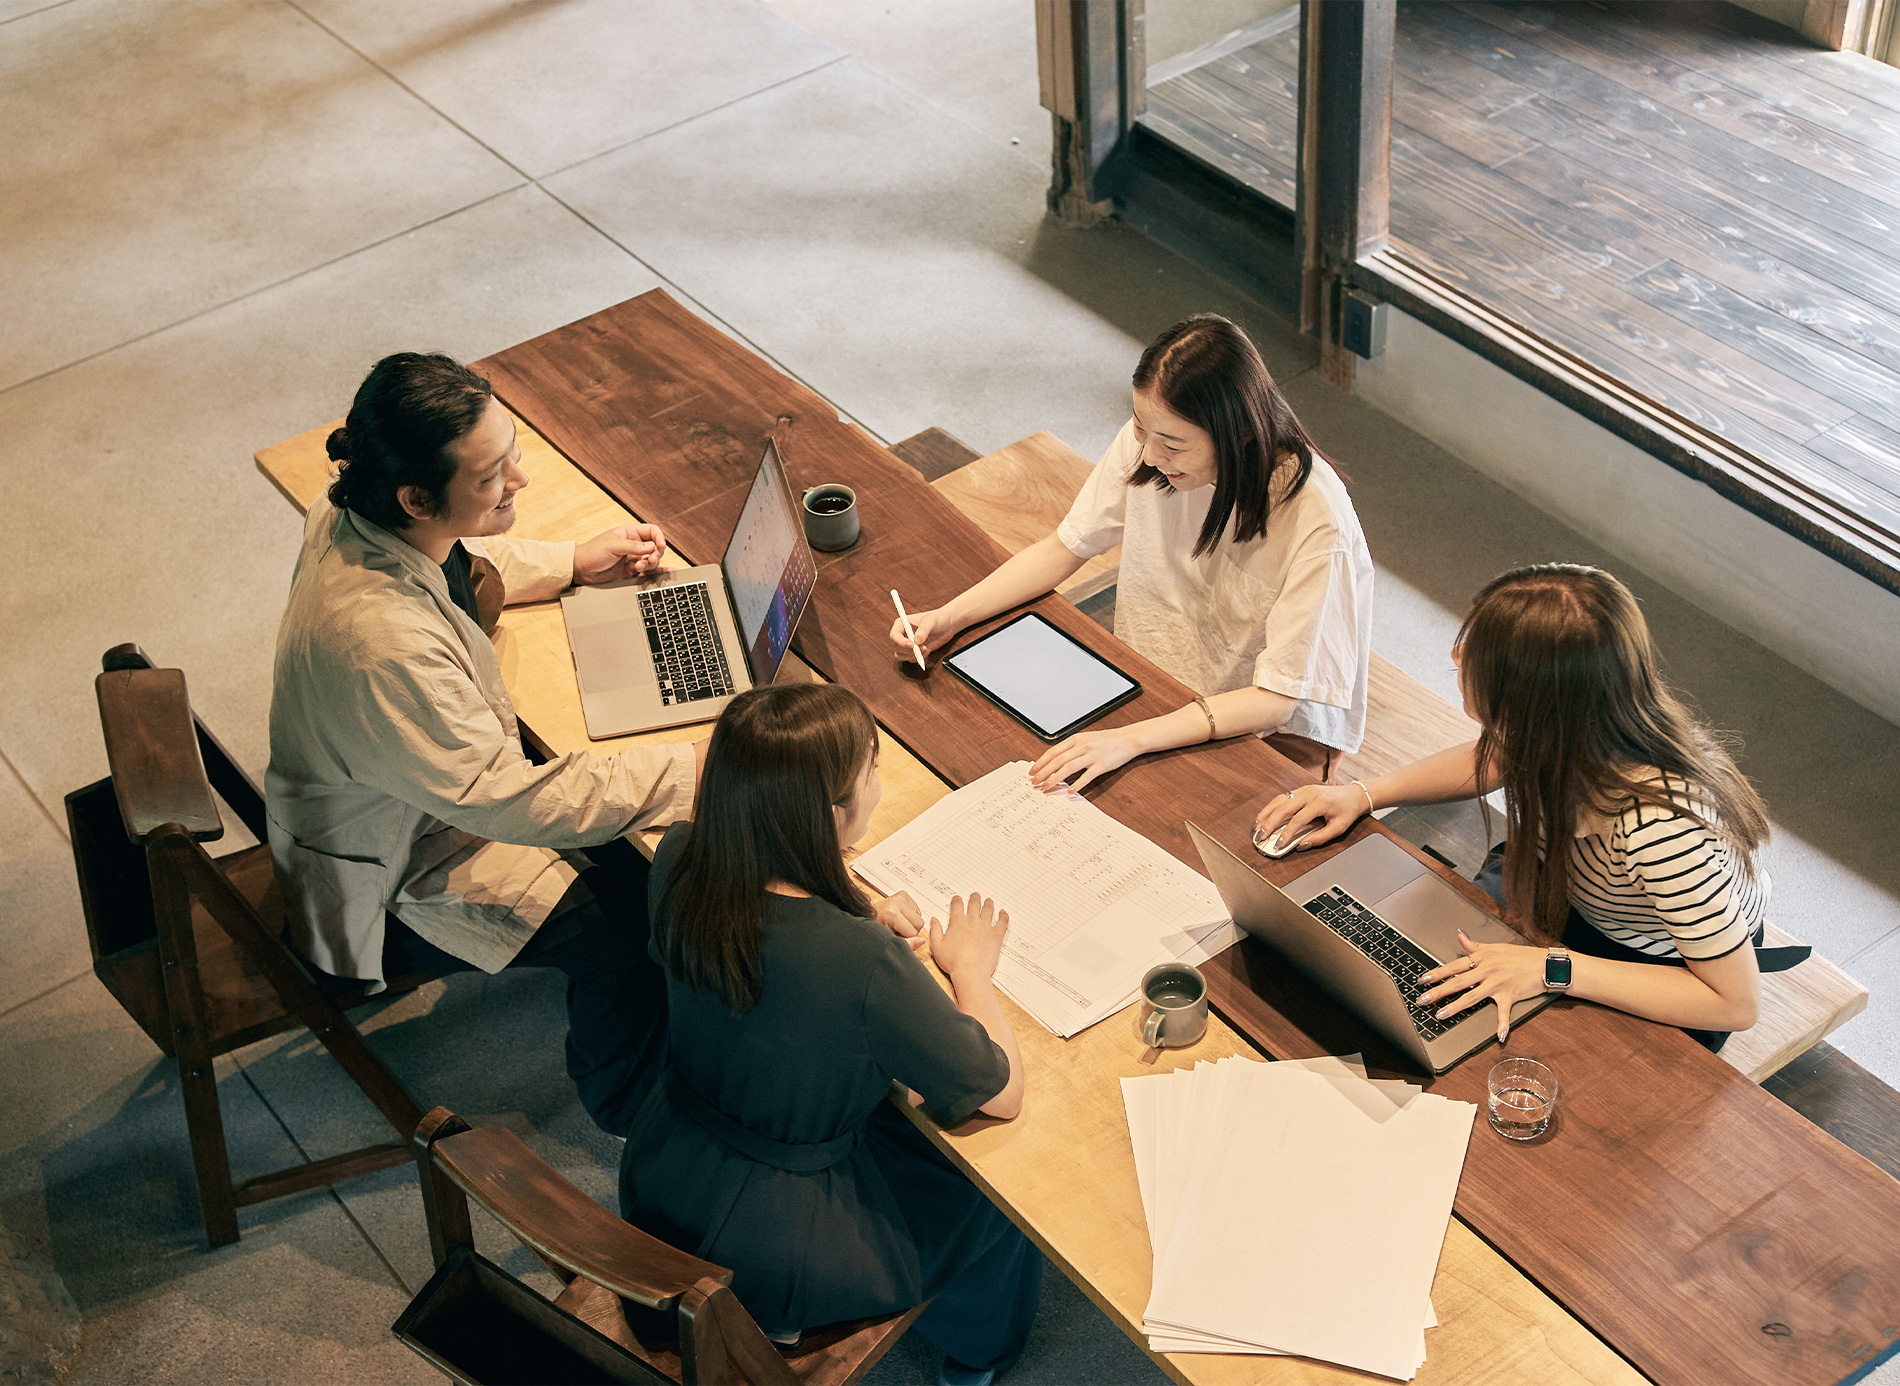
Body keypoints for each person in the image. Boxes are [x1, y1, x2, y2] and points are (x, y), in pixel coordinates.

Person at [267, 351, 701, 1136]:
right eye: (495, 474)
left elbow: (454, 556)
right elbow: (511, 800)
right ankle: (631, 1107)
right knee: (632, 920)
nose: (521, 481)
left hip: (399, 800)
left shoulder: (352, 511)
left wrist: (576, 561)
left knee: (620, 830)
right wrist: (697, 768)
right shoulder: (381, 646)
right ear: (417, 494)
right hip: (397, 870)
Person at [621, 684, 1041, 1386]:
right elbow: (999, 1091)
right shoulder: (860, 960)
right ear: (829, 815)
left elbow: (769, 965)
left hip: (667, 1165)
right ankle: (977, 1358)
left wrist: (854, 908)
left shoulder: (683, 853)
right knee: (999, 1205)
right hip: (782, 1242)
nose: (879, 787)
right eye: (871, 774)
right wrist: (971, 971)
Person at [1254, 563, 1777, 1051]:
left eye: (1474, 650)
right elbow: (1499, 756)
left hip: (1658, 960)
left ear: (1529, 701)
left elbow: (1734, 1002)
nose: (1457, 656)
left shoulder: (1663, 828)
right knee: (1421, 968)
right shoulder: (1575, 724)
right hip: (1575, 890)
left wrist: (1556, 968)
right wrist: (1364, 794)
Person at [890, 313, 1373, 789]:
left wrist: (1130, 740)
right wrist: (949, 618)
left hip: (1268, 731)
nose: (1149, 455)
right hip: (1153, 686)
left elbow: (1275, 700)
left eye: (1172, 444)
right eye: (1141, 428)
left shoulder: (1315, 521)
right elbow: (1066, 546)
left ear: (1240, 432)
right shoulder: (1153, 439)